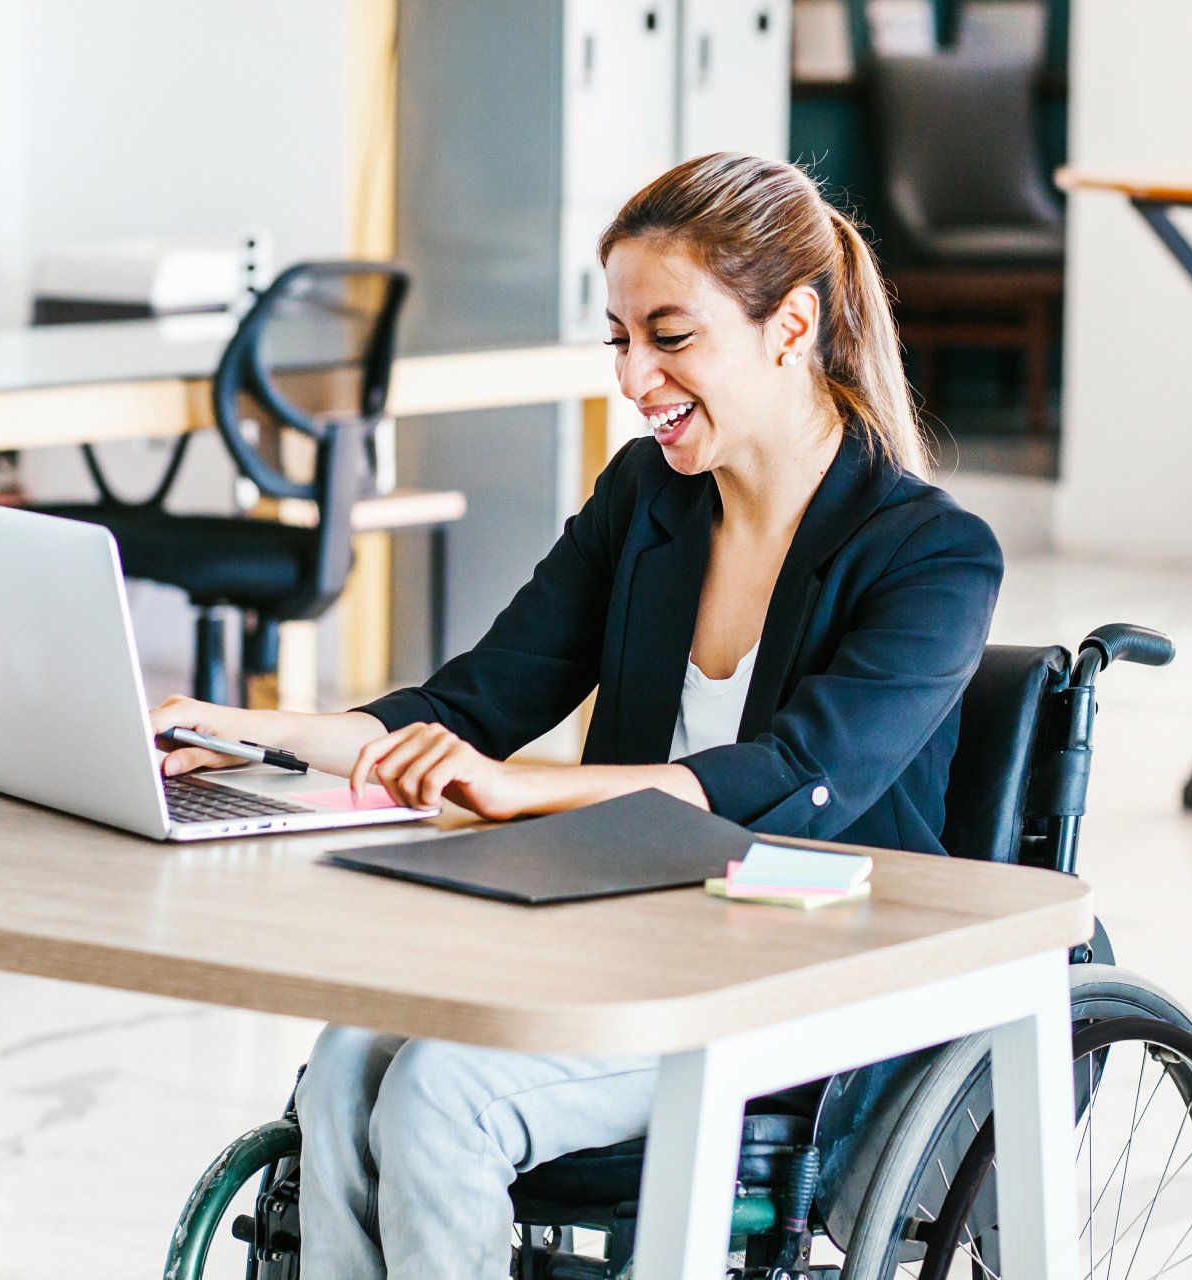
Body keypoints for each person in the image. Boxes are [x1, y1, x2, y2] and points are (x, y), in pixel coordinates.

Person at [151, 152, 1003, 1279]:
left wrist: (525, 789)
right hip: (632, 943)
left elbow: (797, 775)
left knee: (442, 1098)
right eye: (619, 338)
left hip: (813, 982)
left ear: (790, 326)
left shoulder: (932, 553)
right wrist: (239, 727)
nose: (634, 375)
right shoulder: (647, 503)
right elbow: (469, 705)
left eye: (670, 334)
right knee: (349, 1058)